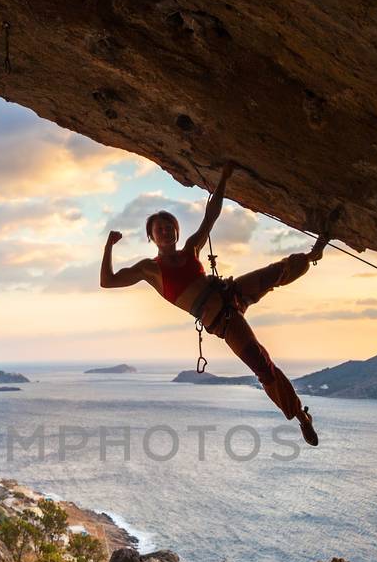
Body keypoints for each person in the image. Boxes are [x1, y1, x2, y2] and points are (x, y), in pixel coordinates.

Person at [98, 160, 326, 445]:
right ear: (151, 236)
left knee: (277, 271)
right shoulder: (149, 269)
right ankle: (301, 417)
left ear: (177, 231)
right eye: (160, 229)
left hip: (232, 292)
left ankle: (311, 255)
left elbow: (212, 215)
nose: (166, 232)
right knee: (261, 364)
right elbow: (107, 281)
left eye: (170, 227)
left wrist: (224, 179)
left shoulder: (192, 247)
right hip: (223, 321)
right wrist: (109, 246)